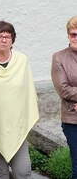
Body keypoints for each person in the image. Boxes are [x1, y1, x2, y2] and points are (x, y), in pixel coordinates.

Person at [0, 21, 39, 179]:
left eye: (8, 36)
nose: (4, 40)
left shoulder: (22, 60)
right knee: (0, 173)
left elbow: (28, 92)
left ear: (13, 40)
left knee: (23, 170)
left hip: (17, 126)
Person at [51, 16, 77, 179]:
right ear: (68, 35)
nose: (76, 38)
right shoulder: (59, 57)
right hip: (73, 121)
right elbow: (64, 90)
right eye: (73, 34)